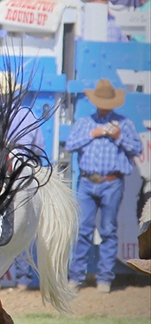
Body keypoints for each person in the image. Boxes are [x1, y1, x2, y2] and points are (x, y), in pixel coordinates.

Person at [65, 79, 142, 292]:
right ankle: (76, 276)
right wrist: (94, 134)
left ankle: (105, 278)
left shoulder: (124, 124)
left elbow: (136, 149)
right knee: (83, 230)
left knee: (108, 230)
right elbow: (70, 144)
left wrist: (119, 138)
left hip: (112, 182)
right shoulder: (85, 123)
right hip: (88, 182)